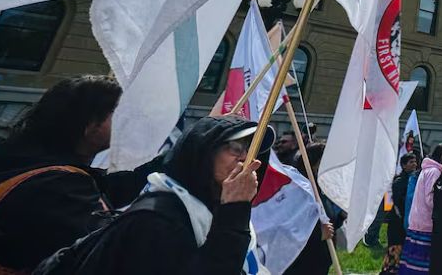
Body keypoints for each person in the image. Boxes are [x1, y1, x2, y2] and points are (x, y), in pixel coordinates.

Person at [0, 75, 164, 274]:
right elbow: (106, 252)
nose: (128, 123)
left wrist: (174, 158)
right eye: (121, 115)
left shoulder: (31, 166)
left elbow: (110, 189)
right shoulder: (56, 187)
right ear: (89, 124)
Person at [33, 115, 271, 274]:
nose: (247, 159)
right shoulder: (158, 219)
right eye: (236, 148)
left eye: (252, 151)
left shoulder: (213, 212)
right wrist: (234, 212)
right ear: (203, 154)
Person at [286, 142, 336, 275]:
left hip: (319, 260)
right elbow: (293, 226)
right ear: (314, 163)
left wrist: (340, 217)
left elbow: (327, 222)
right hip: (303, 262)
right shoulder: (300, 188)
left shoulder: (320, 187)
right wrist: (319, 235)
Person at [401, 144, 442, 274]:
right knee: (421, 266)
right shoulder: (435, 172)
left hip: (417, 222)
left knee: (411, 264)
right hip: (426, 224)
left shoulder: (425, 170)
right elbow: (430, 198)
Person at [382, 154, 419, 275]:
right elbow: (399, 202)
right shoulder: (399, 181)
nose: (414, 164)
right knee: (395, 251)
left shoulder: (415, 179)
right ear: (403, 165)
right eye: (410, 162)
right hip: (397, 223)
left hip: (407, 222)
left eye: (415, 162)